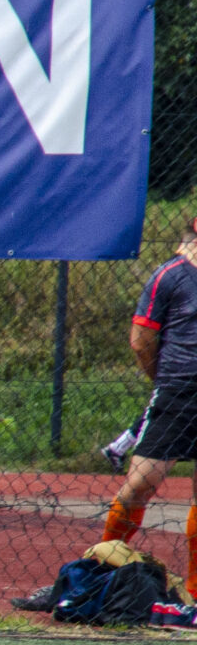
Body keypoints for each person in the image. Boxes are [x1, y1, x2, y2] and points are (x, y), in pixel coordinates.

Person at [98, 217, 197, 578]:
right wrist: (164, 380)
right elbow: (141, 340)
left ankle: (195, 593)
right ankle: (99, 568)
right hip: (177, 392)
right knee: (140, 484)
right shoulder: (170, 275)